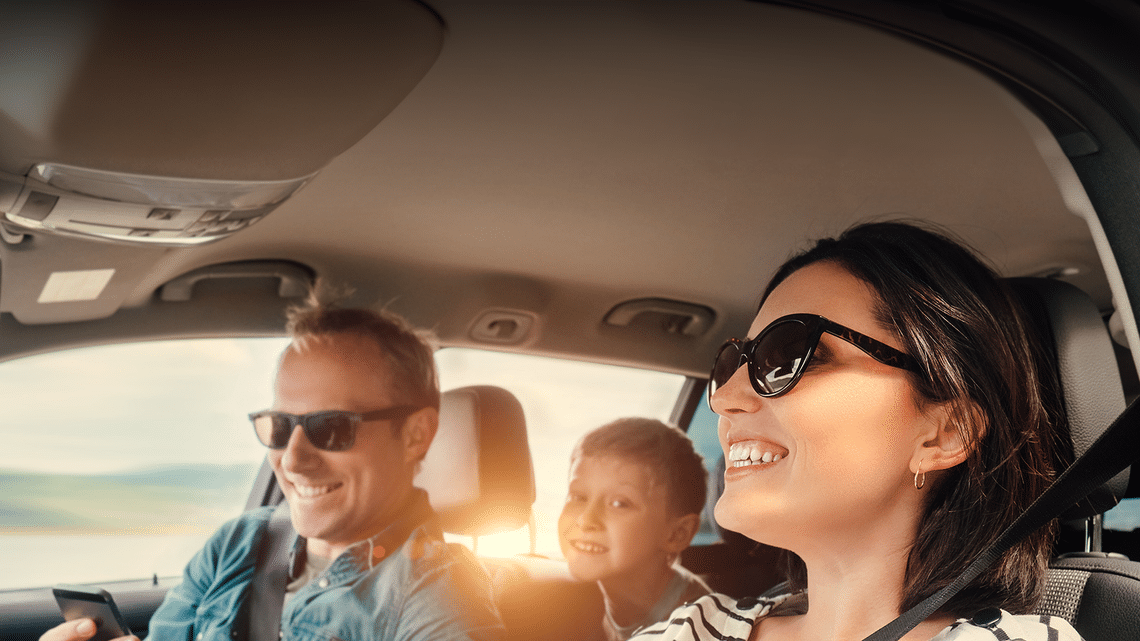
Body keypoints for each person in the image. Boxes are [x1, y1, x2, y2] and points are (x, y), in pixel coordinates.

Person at [632, 221, 1082, 641]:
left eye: (789, 357)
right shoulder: (686, 631)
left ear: (945, 434)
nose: (724, 397)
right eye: (736, 363)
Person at [42, 298, 505, 641]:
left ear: (416, 435)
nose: (292, 458)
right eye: (280, 426)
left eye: (331, 427)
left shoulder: (438, 595)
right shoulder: (238, 543)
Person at [559, 418, 712, 641]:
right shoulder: (586, 603)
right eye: (578, 497)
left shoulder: (696, 627)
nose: (586, 519)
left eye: (619, 503)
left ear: (676, 534)